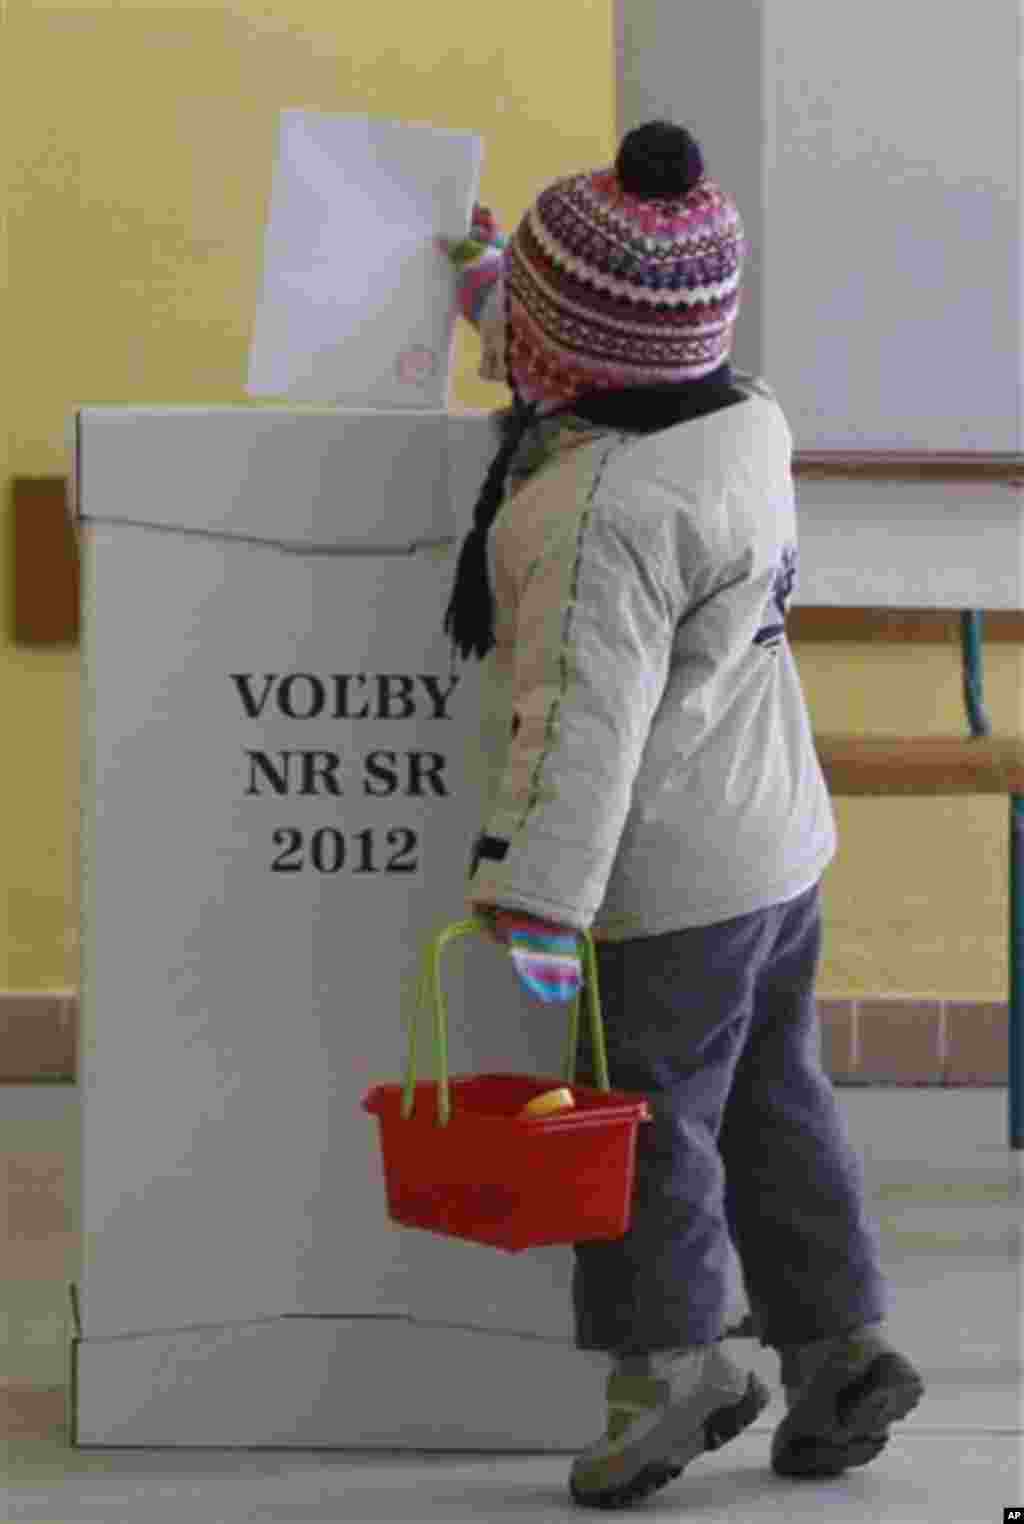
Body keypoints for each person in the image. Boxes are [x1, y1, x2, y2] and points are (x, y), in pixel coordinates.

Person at [438, 120, 924, 1510]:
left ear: (568, 356)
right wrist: (487, 275)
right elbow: (589, 348)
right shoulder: (738, 415)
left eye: (522, 319)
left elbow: (576, 736)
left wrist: (534, 899)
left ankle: (671, 1369)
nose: (509, 337)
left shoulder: (591, 516)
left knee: (642, 1123)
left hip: (670, 878)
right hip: (779, 844)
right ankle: (841, 1345)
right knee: (777, 1096)